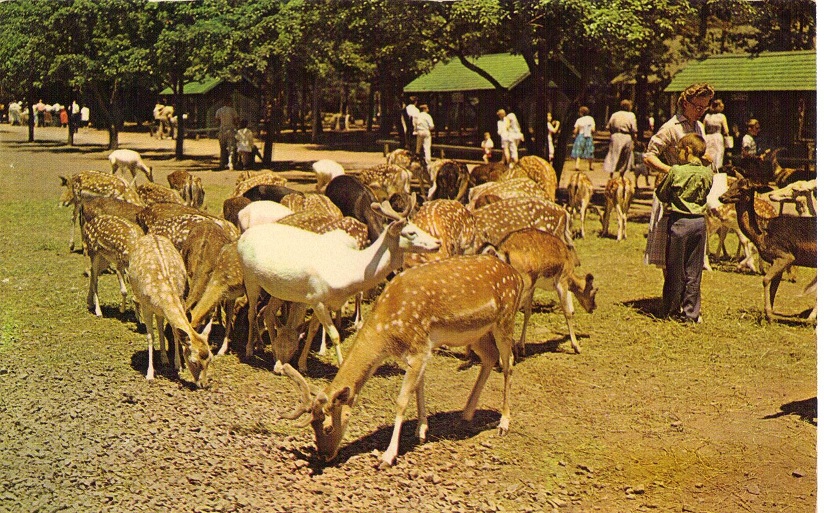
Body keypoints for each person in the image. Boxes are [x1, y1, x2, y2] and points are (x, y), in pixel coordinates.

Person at [643, 82, 714, 269]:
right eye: (698, 107)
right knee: (669, 251)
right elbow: (649, 155)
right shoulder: (671, 127)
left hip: (693, 195)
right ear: (685, 103)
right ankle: (672, 295)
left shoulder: (699, 127)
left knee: (691, 251)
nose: (701, 112)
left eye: (704, 108)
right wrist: (672, 171)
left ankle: (685, 295)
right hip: (672, 194)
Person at [655, 134, 714, 323]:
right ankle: (691, 313)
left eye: (679, 150)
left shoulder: (676, 171)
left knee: (675, 270)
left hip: (679, 222)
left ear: (687, 150)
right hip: (699, 223)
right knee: (694, 270)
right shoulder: (707, 173)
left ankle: (671, 310)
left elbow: (662, 194)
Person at [602, 99, 637, 178]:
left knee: (614, 154)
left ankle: (611, 174)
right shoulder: (631, 115)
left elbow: (609, 126)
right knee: (625, 156)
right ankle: (621, 174)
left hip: (615, 135)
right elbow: (633, 129)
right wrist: (634, 140)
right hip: (626, 136)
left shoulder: (614, 114)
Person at [702, 99, 730, 170]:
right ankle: (717, 169)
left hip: (708, 137)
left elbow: (703, 128)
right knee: (718, 155)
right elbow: (726, 130)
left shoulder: (707, 116)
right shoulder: (722, 116)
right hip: (717, 137)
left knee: (709, 154)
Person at [214, 99, 239, 170]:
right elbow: (236, 120)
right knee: (231, 148)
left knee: (223, 148)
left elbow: (217, 121)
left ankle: (222, 164)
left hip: (222, 130)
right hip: (230, 130)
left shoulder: (219, 111)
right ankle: (231, 164)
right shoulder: (232, 110)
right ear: (229, 102)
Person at [571, 106, 595, 171]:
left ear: (581, 113)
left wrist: (574, 134)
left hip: (581, 135)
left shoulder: (579, 120)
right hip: (588, 135)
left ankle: (577, 165)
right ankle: (591, 165)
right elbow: (593, 129)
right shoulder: (591, 119)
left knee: (578, 150)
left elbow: (576, 130)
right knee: (589, 150)